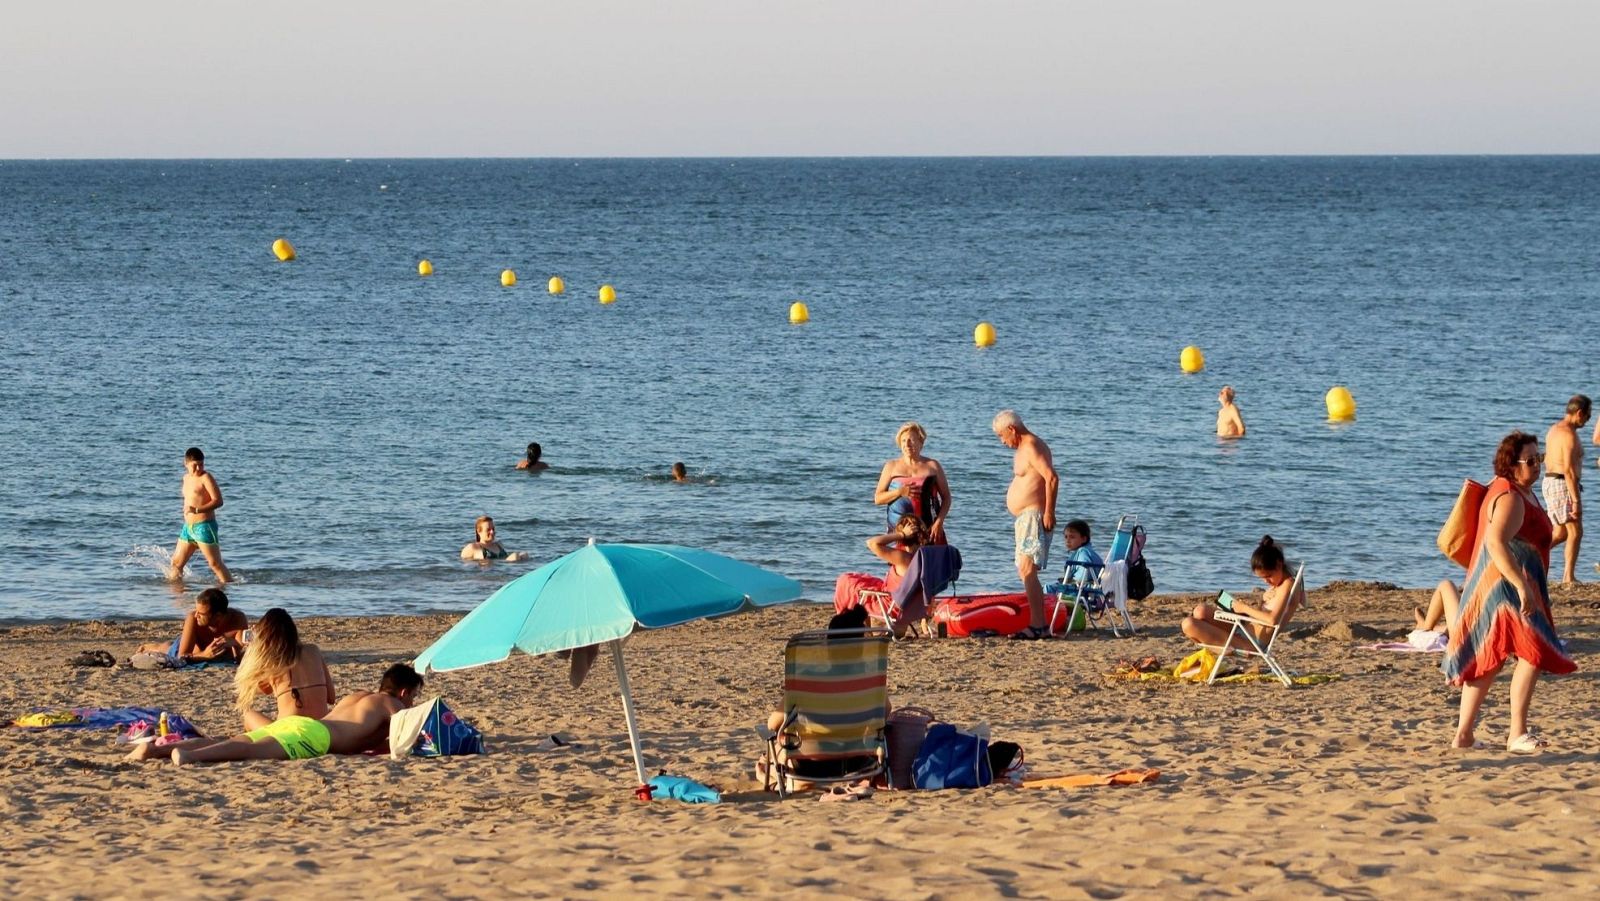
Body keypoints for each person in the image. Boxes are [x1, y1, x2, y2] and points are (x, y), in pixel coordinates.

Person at [1442, 431, 1574, 752]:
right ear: (1511, 466)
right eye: (1530, 461)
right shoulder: (1511, 497)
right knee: (1534, 652)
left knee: (1491, 657)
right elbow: (1495, 543)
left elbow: (1525, 540)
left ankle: (1464, 735)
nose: (1537, 465)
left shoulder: (1518, 491)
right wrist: (1521, 586)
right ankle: (1516, 732)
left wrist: (1556, 535)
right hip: (1508, 589)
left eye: (1538, 458)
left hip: (1502, 586)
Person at [128, 664, 423, 764]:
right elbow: (412, 738)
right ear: (403, 693)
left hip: (303, 725)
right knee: (248, 749)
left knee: (235, 738)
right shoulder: (393, 706)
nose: (411, 704)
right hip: (315, 737)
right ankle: (190, 756)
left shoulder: (358, 696)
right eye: (413, 698)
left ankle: (155, 751)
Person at [993, 410, 1059, 640]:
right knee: (1025, 570)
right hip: (1025, 517)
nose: (1002, 442)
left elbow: (1051, 477)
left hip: (1033, 516)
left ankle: (1038, 626)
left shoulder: (1032, 446)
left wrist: (1049, 512)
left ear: (1012, 429)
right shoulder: (1025, 448)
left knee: (1027, 569)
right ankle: (1038, 624)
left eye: (1002, 436)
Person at [1181, 536, 1304, 649]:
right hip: (1244, 627)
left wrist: (1244, 608)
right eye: (1262, 578)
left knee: (1188, 624)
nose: (1266, 581)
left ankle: (1213, 647)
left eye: (1268, 576)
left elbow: (1272, 620)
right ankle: (1211, 641)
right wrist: (1256, 603)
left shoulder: (1288, 584)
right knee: (1200, 610)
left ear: (1279, 564)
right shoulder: (1277, 585)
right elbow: (1263, 615)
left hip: (1250, 642)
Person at [235, 608, 337, 730]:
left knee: (249, 716)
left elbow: (260, 689)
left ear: (264, 636)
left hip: (288, 733)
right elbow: (331, 698)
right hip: (320, 730)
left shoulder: (272, 661)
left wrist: (252, 647)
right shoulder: (313, 650)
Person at [873, 422, 952, 543]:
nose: (907, 444)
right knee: (902, 561)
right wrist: (899, 492)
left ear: (921, 442)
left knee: (932, 560)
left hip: (930, 528)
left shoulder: (933, 466)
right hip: (900, 530)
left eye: (911, 440)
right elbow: (878, 499)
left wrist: (939, 522)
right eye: (904, 441)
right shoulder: (891, 466)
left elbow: (946, 498)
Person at [1543, 395, 1589, 586]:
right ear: (1579, 413)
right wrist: (1576, 501)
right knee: (1575, 531)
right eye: (1587, 416)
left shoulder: (1555, 429)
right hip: (1562, 483)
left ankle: (1531, 555)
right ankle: (1568, 577)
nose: (1587, 420)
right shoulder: (1568, 435)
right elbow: (1569, 471)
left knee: (1561, 533)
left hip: (1552, 482)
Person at [168, 447, 232, 583]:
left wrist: (197, 510)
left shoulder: (206, 478)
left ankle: (229, 590)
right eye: (194, 465)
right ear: (185, 463)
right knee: (176, 564)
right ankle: (177, 597)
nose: (198, 468)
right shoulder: (185, 478)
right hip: (188, 528)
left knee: (215, 564)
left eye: (201, 464)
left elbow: (218, 501)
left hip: (204, 527)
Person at [137, 587, 248, 663]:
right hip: (190, 650)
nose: (196, 615)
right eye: (196, 611)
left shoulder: (237, 619)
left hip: (208, 652)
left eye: (201, 613)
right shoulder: (193, 619)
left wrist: (236, 644)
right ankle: (147, 647)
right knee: (166, 649)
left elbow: (240, 657)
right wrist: (205, 655)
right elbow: (181, 656)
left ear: (218, 616)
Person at [866, 515, 929, 596]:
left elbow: (871, 543)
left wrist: (901, 534)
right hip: (920, 605)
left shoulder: (903, 558)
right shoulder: (928, 556)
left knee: (849, 582)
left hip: (892, 604)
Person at [460, 516, 529, 562]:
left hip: (503, 569)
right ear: (479, 531)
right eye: (488, 530)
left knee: (524, 554)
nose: (492, 532)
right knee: (515, 556)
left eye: (493, 529)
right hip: (487, 574)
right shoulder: (472, 547)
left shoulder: (499, 545)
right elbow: (464, 567)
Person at [1060, 519, 1103, 584]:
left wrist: (1071, 581)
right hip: (1092, 585)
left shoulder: (1082, 552)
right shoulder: (1089, 552)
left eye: (1072, 537)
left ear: (1083, 539)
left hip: (1081, 588)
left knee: (1047, 588)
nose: (1067, 540)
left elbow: (1085, 573)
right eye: (1066, 537)